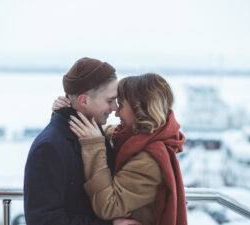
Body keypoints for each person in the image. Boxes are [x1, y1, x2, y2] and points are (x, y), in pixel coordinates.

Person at [54, 73, 188, 225]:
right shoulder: (128, 137)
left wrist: (94, 146)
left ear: (140, 109)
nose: (116, 111)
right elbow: (94, 131)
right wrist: (69, 110)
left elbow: (108, 206)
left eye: (121, 105)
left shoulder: (150, 160)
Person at [24, 57, 141, 225]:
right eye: (109, 100)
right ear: (84, 101)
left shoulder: (94, 130)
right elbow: (42, 220)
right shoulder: (48, 147)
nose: (115, 107)